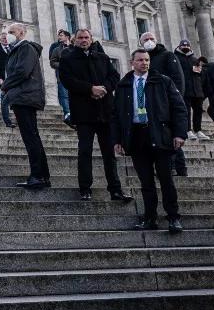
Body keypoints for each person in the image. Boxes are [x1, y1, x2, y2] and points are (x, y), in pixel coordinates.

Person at [111, 49, 187, 233]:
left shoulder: (163, 81)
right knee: (146, 182)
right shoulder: (123, 85)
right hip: (137, 137)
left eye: (147, 60)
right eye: (140, 60)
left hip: (160, 135)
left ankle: (173, 218)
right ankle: (150, 218)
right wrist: (117, 140)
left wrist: (179, 134)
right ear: (132, 62)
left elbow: (179, 108)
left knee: (166, 179)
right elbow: (116, 116)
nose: (144, 63)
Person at [59, 29, 132, 202]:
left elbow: (114, 76)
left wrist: (104, 88)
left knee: (109, 153)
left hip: (105, 111)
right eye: (80, 38)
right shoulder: (68, 58)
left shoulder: (102, 57)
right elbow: (67, 80)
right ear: (75, 40)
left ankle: (115, 189)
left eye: (86, 38)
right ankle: (85, 188)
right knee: (85, 151)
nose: (84, 40)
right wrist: (90, 89)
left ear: (91, 40)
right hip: (83, 113)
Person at [4, 23, 51, 189]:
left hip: (26, 97)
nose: (8, 35)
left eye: (12, 32)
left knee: (31, 137)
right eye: (7, 32)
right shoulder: (17, 49)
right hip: (23, 96)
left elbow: (22, 71)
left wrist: (5, 85)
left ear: (22, 33)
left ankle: (38, 176)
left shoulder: (25, 48)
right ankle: (42, 176)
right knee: (32, 136)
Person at [140, 32, 187, 177]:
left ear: (156, 40)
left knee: (171, 134)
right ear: (141, 43)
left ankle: (177, 167)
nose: (149, 41)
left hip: (168, 101)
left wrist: (176, 99)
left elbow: (178, 78)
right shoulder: (144, 59)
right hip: (153, 104)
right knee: (163, 136)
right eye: (145, 40)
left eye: (151, 39)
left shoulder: (167, 55)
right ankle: (174, 167)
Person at [48, 30, 72, 124]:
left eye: (61, 35)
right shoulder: (56, 49)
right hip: (62, 76)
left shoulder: (74, 48)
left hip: (75, 77)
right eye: (59, 36)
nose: (59, 37)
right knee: (64, 95)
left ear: (67, 37)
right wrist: (62, 65)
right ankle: (68, 113)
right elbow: (52, 62)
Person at [185, 56, 209, 140]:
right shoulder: (177, 58)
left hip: (197, 90)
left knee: (198, 110)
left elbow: (202, 77)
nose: (186, 46)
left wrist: (200, 70)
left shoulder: (195, 60)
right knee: (186, 111)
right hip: (186, 90)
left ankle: (198, 130)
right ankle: (188, 130)